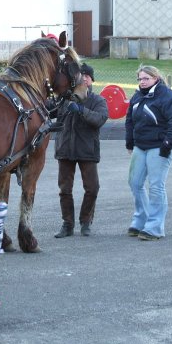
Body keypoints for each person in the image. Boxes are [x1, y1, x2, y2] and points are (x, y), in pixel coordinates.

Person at [125, 65, 172, 240]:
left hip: (160, 147)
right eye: (140, 79)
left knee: (156, 186)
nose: (142, 82)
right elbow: (130, 120)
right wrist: (130, 142)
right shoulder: (137, 96)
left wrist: (168, 142)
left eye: (146, 78)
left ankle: (154, 228)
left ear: (155, 78)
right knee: (135, 183)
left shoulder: (166, 95)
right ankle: (141, 220)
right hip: (140, 146)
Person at [54, 63, 109, 238]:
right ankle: (67, 224)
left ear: (92, 80)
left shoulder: (98, 100)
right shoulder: (64, 99)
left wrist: (80, 110)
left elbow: (99, 119)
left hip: (87, 151)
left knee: (92, 188)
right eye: (81, 75)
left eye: (87, 76)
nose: (84, 78)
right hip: (65, 150)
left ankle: (86, 221)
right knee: (65, 190)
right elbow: (49, 111)